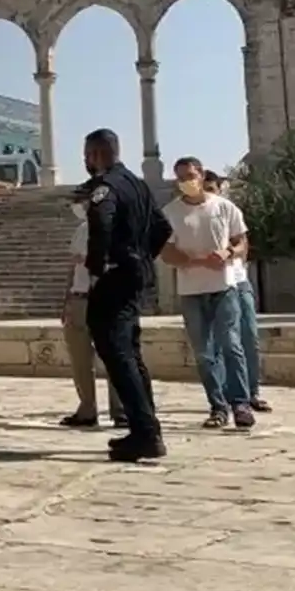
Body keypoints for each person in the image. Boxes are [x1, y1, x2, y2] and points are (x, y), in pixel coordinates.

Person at [81, 127, 172, 462]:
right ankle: (146, 428)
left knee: (118, 353)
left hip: (116, 280)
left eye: (88, 154)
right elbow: (163, 228)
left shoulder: (105, 188)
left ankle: (146, 433)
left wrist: (99, 267)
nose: (86, 161)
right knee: (130, 353)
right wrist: (142, 258)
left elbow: (101, 226)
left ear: (96, 154)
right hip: (135, 277)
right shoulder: (138, 185)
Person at [161, 156, 253, 430]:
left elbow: (241, 242)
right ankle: (218, 406)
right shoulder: (170, 213)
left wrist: (227, 253)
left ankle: (241, 403)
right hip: (191, 290)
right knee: (203, 351)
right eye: (180, 178)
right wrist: (184, 259)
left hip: (223, 286)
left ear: (201, 175)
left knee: (231, 344)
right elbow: (165, 251)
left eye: (190, 175)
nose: (186, 182)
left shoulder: (224, 207)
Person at [59, 182, 125, 428]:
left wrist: (88, 259)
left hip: (106, 297)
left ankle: (120, 410)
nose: (79, 206)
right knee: (80, 358)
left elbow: (119, 261)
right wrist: (66, 299)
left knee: (114, 357)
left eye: (83, 200)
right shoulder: (82, 229)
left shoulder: (115, 228)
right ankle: (87, 408)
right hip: (80, 297)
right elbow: (71, 266)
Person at [204, 170, 270, 412]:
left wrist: (229, 252)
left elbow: (243, 245)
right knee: (221, 342)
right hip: (214, 284)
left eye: (212, 189)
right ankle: (225, 395)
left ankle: (251, 391)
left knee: (248, 337)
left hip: (238, 281)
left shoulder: (229, 210)